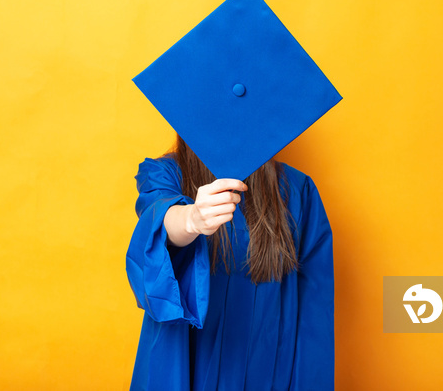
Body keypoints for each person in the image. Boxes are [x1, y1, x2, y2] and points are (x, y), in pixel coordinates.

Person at [126, 135, 335, 390]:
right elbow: (160, 218)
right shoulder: (165, 173)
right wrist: (191, 219)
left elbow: (315, 313)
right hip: (186, 362)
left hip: (269, 368)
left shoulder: (297, 190)